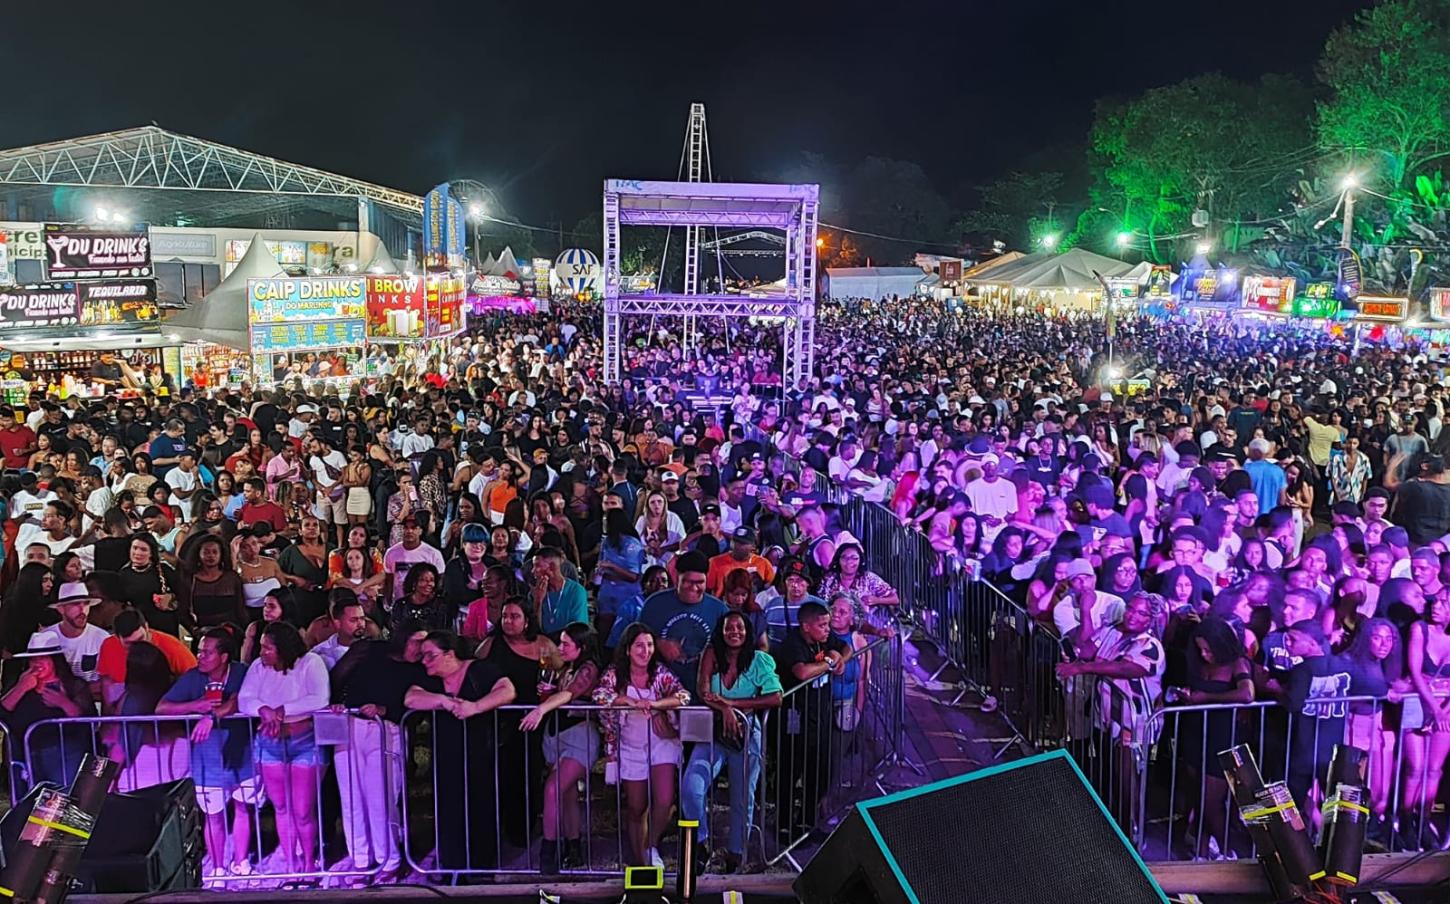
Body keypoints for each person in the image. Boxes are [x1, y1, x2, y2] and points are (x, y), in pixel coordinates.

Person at [404, 630, 517, 870]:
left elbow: (507, 690)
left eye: (430, 656)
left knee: (481, 805)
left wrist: (476, 707)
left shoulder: (480, 670)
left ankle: (481, 865)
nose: (424, 661)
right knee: (448, 809)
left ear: (449, 654)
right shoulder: (431, 678)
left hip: (480, 752)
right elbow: (411, 698)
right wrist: (443, 701)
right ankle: (451, 864)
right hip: (446, 754)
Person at [682, 610, 783, 873]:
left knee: (742, 797)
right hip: (714, 731)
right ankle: (701, 843)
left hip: (747, 734)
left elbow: (775, 697)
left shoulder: (760, 660)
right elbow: (703, 690)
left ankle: (736, 854)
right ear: (721, 631)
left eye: (740, 627)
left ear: (748, 631)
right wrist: (725, 710)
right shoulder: (712, 654)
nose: (734, 632)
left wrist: (734, 706)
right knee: (692, 786)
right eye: (729, 628)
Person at [157, 626, 259, 882]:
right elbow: (161, 708)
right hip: (207, 759)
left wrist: (212, 717)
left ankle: (241, 861)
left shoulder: (241, 672)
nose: (200, 656)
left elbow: (237, 700)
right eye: (199, 651)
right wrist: (195, 706)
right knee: (213, 816)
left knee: (243, 809)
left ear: (224, 657)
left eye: (207, 652)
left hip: (242, 755)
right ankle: (217, 868)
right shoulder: (192, 678)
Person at [592, 624, 689, 867]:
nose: (645, 651)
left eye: (649, 645)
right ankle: (640, 861)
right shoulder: (615, 675)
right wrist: (625, 700)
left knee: (665, 800)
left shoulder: (660, 673)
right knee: (636, 807)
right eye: (639, 646)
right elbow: (599, 695)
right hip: (630, 746)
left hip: (661, 743)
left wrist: (657, 706)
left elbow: (683, 696)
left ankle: (651, 845)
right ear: (627, 650)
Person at [237, 621, 330, 876]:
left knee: (302, 811)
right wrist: (263, 710)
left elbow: (319, 698)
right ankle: (291, 863)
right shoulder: (258, 667)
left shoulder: (311, 663)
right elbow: (245, 698)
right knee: (281, 807)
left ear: (284, 649)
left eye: (268, 648)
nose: (262, 652)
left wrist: (283, 711)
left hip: (304, 743)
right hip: (270, 744)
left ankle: (309, 862)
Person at [521, 622, 603, 873]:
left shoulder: (588, 669)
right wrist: (546, 694)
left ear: (583, 647)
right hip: (557, 734)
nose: (560, 648)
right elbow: (559, 693)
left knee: (553, 789)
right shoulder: (567, 667)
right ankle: (574, 847)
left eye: (566, 644)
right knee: (567, 796)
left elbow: (569, 695)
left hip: (579, 736)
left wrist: (541, 708)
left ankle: (549, 851)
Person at [772, 600, 850, 840]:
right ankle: (783, 824)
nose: (828, 629)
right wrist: (828, 662)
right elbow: (802, 672)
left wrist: (840, 656)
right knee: (791, 770)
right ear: (806, 626)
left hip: (821, 715)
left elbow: (845, 648)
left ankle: (806, 820)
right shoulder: (792, 644)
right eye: (822, 625)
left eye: (828, 624)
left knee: (821, 771)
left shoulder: (825, 640)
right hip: (794, 716)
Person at [0, 634, 95, 788]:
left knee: (60, 802)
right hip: (25, 755)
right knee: (28, 805)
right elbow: (2, 715)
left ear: (55, 661)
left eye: (42, 658)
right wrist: (21, 688)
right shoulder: (20, 684)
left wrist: (64, 703)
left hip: (65, 755)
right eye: (33, 659)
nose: (37, 664)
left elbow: (89, 721)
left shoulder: (73, 686)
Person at [638, 550, 728, 697]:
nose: (693, 588)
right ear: (676, 577)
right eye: (687, 581)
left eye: (699, 583)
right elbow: (634, 641)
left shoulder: (719, 610)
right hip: (660, 692)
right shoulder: (654, 604)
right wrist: (658, 643)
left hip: (705, 692)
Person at [96, 608, 196, 711]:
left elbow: (194, 679)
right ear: (117, 637)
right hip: (125, 709)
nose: (136, 646)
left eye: (140, 639)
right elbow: (106, 682)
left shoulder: (173, 648)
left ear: (147, 627)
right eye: (129, 644)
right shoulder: (108, 646)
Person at [35, 580, 109, 692]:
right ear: (61, 609)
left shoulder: (102, 638)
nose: (82, 609)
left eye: (86, 604)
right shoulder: (45, 638)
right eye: (75, 604)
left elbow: (110, 683)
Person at [179, 534, 247, 637]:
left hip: (231, 632)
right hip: (202, 634)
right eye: (206, 552)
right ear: (198, 554)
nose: (211, 556)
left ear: (221, 554)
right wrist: (194, 629)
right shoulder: (189, 580)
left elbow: (241, 610)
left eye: (215, 552)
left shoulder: (232, 578)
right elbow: (183, 611)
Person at [382, 515, 445, 609]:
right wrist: (388, 603)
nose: (409, 531)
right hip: (400, 605)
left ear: (420, 531)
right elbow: (389, 580)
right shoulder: (391, 553)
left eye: (414, 528)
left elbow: (440, 581)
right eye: (406, 528)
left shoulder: (433, 554)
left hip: (426, 605)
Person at [529, 545, 589, 636]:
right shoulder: (534, 593)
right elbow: (533, 631)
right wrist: (538, 601)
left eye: (537, 566)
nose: (533, 571)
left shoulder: (576, 591)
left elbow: (578, 630)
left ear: (552, 567)